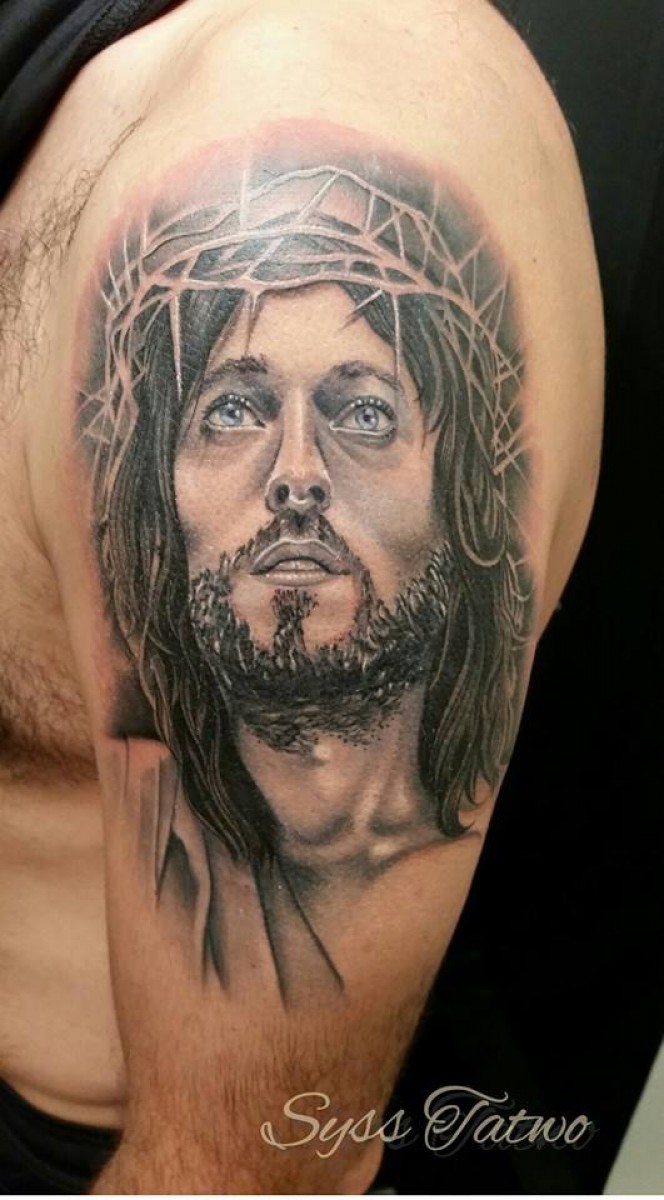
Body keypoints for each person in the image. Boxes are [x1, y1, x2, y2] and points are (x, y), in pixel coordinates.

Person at [0, 0, 603, 1192]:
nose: (295, 478)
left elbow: (236, 1177)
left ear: (454, 473)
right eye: (233, 407)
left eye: (361, 411)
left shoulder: (308, 126)